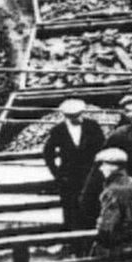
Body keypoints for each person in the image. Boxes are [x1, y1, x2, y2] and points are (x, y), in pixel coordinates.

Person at [43, 99, 105, 232]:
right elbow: (48, 153)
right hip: (69, 178)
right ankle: (73, 245)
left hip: (90, 175)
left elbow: (102, 147)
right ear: (66, 116)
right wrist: (57, 173)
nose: (78, 119)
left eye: (79, 115)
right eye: (73, 117)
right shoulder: (58, 130)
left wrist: (98, 169)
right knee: (71, 212)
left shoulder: (92, 126)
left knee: (91, 208)